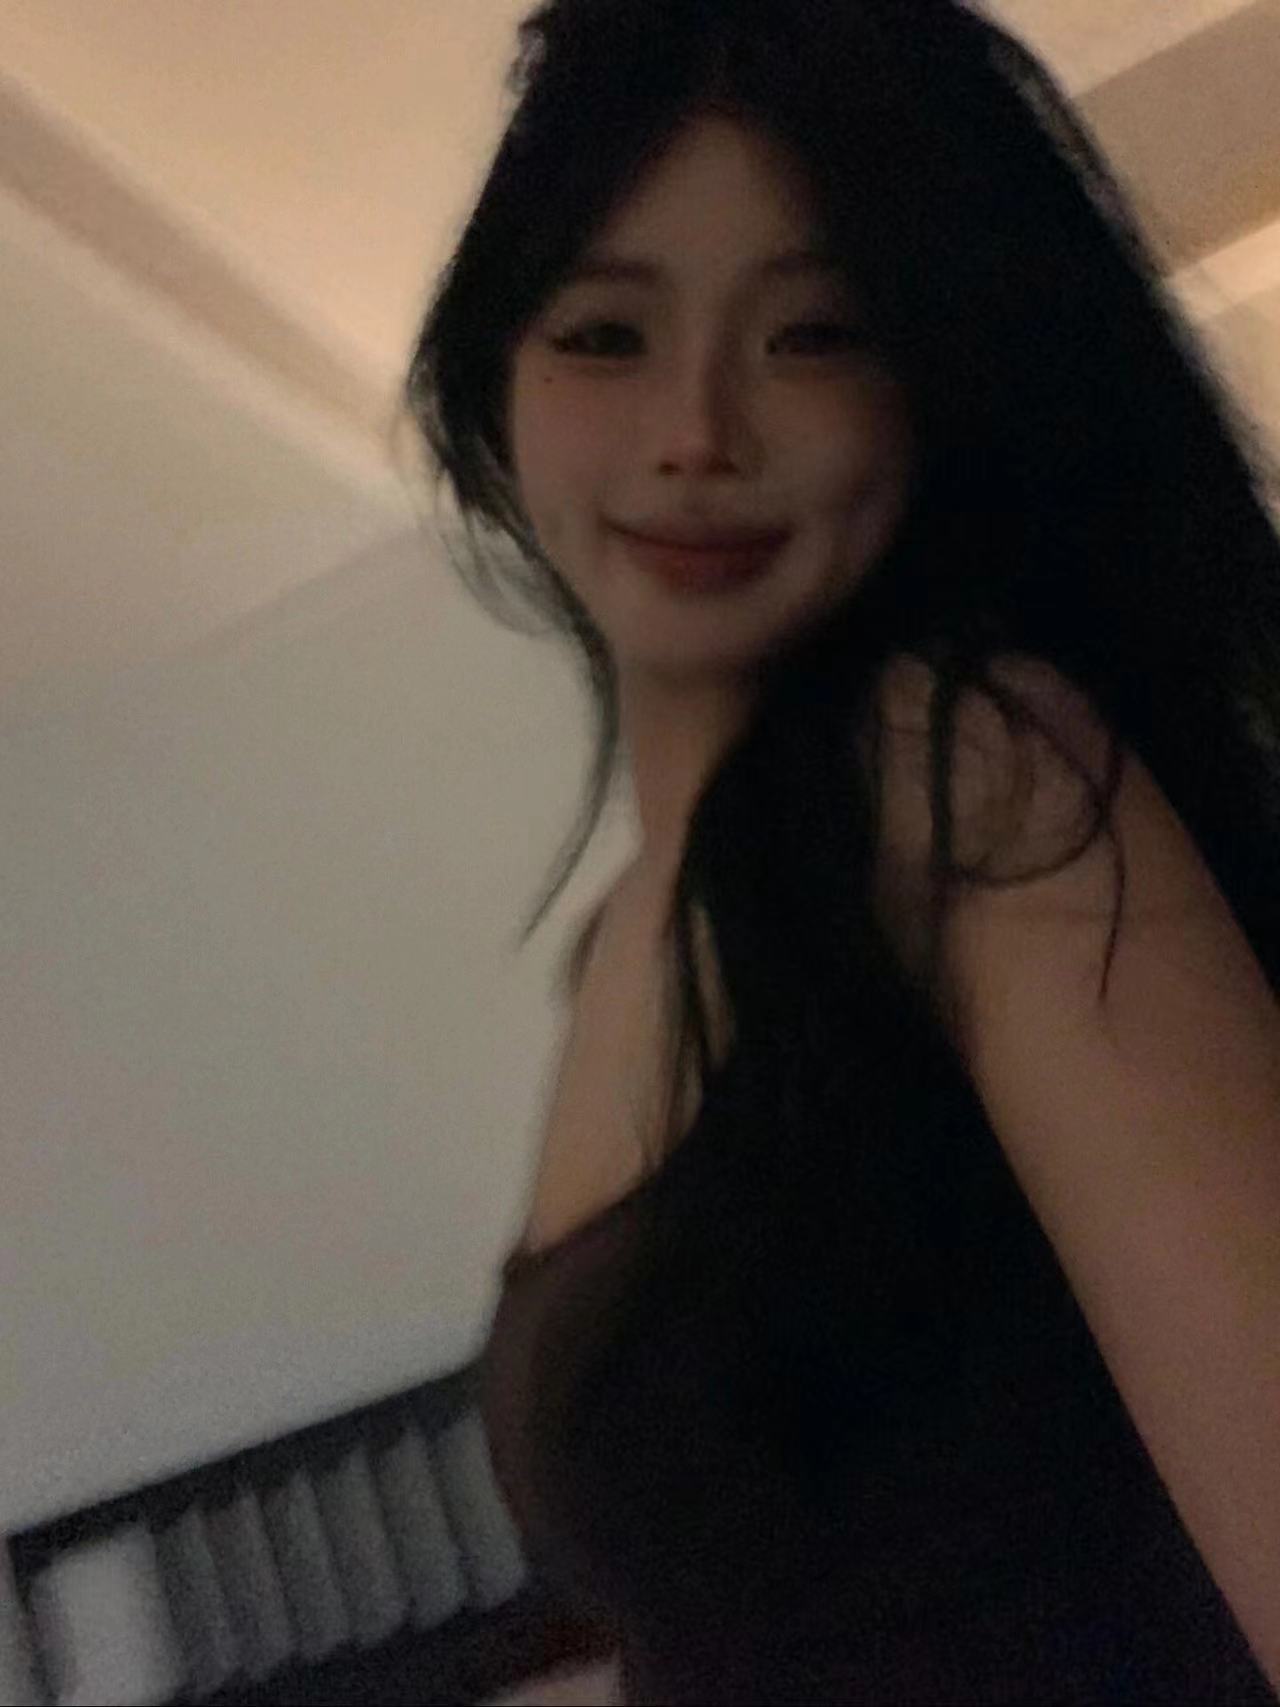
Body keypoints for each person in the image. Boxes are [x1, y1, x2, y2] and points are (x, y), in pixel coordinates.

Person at [398, 0, 1280, 1699]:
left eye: (812, 336)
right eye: (604, 334)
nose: (696, 432)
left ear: (935, 388)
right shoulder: (625, 933)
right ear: (495, 379)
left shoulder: (967, 773)